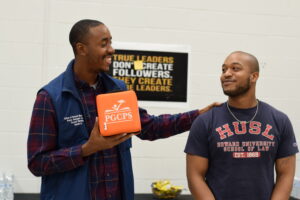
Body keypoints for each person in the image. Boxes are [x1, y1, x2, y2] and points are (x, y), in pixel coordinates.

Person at [27, 19, 218, 200]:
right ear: (81, 49)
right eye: (104, 44)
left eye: (111, 42)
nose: (112, 49)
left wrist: (197, 116)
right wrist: (86, 149)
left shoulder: (117, 90)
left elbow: (150, 127)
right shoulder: (51, 97)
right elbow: (37, 163)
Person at [185, 51, 298, 200]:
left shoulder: (280, 120)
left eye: (235, 68)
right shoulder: (204, 121)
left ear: (254, 76)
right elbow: (195, 176)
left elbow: (286, 174)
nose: (226, 74)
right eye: (224, 69)